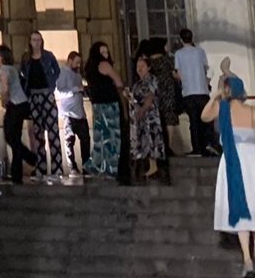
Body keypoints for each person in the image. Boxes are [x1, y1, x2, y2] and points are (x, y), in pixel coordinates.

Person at [209, 72, 255, 278]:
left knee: (240, 203)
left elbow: (203, 116)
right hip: (253, 160)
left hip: (233, 159)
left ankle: (248, 257)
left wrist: (214, 96)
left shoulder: (223, 109)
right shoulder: (252, 112)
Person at [18, 31, 63, 182]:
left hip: (46, 95)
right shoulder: (26, 59)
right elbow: (23, 74)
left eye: (39, 40)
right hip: (33, 96)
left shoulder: (48, 56)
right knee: (38, 134)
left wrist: (51, 86)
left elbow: (56, 71)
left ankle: (57, 169)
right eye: (34, 40)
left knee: (53, 132)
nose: (36, 42)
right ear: (30, 42)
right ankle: (41, 169)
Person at [84, 40, 128, 181]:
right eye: (102, 52)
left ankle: (97, 165)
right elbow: (119, 81)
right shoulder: (104, 65)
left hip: (97, 106)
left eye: (106, 52)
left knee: (100, 136)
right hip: (109, 104)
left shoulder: (89, 68)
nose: (105, 55)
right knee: (112, 137)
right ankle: (111, 168)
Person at [0, 45, 35, 185]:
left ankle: (26, 164)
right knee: (13, 138)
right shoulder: (11, 69)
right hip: (20, 105)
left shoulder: (4, 70)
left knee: (11, 138)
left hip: (15, 105)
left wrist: (4, 101)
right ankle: (25, 165)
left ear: (1, 56)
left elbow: (5, 88)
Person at [174, 28, 215, 157]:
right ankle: (208, 145)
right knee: (205, 120)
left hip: (188, 91)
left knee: (194, 121)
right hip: (202, 90)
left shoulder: (179, 54)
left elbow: (179, 73)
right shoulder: (200, 52)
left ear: (181, 40)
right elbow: (205, 68)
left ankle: (197, 148)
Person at [129, 51, 168, 182]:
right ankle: (148, 167)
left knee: (152, 138)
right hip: (140, 116)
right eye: (138, 66)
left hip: (150, 115)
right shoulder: (137, 84)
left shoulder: (152, 79)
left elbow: (151, 96)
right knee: (143, 140)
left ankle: (154, 167)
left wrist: (142, 109)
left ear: (149, 67)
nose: (139, 69)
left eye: (142, 66)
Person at [54, 49, 89, 178]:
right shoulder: (62, 73)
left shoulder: (78, 74)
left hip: (80, 111)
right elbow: (59, 91)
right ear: (69, 60)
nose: (78, 65)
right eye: (77, 62)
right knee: (69, 141)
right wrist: (76, 89)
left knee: (85, 140)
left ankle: (86, 166)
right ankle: (72, 167)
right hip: (69, 112)